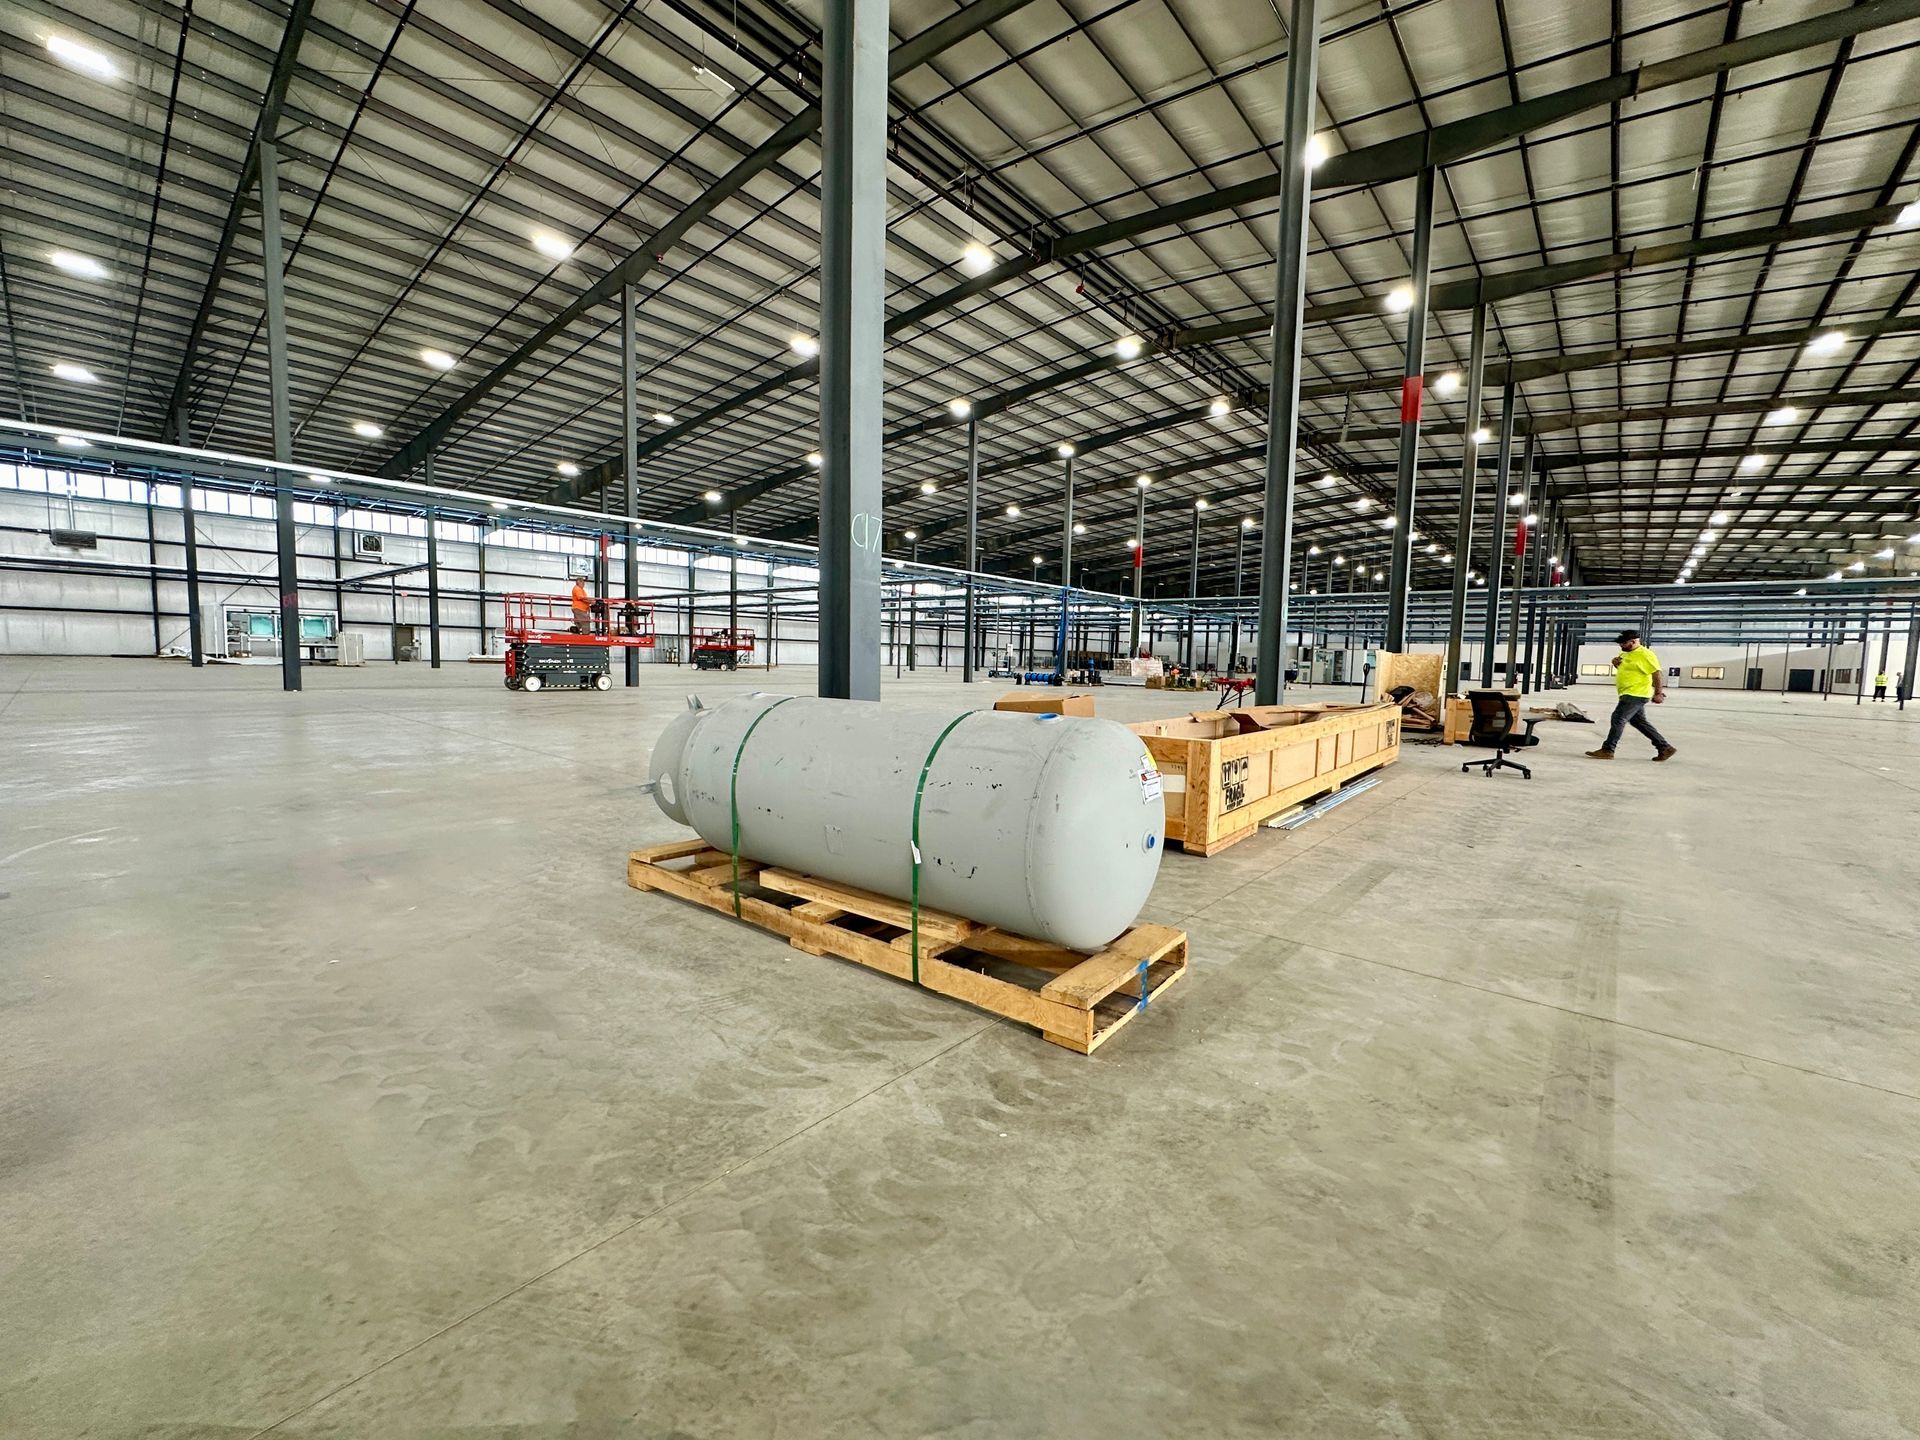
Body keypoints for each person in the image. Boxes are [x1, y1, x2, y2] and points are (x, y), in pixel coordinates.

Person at [1587, 629, 1676, 761]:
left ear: (1633, 642)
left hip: (1636, 693)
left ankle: (1608, 749)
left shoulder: (1646, 654)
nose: (1621, 646)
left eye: (1623, 643)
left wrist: (1658, 693)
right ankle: (1664, 747)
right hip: (1627, 692)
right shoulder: (1626, 652)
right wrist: (1615, 663)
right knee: (1638, 722)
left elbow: (1657, 673)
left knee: (1618, 718)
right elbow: (1626, 668)